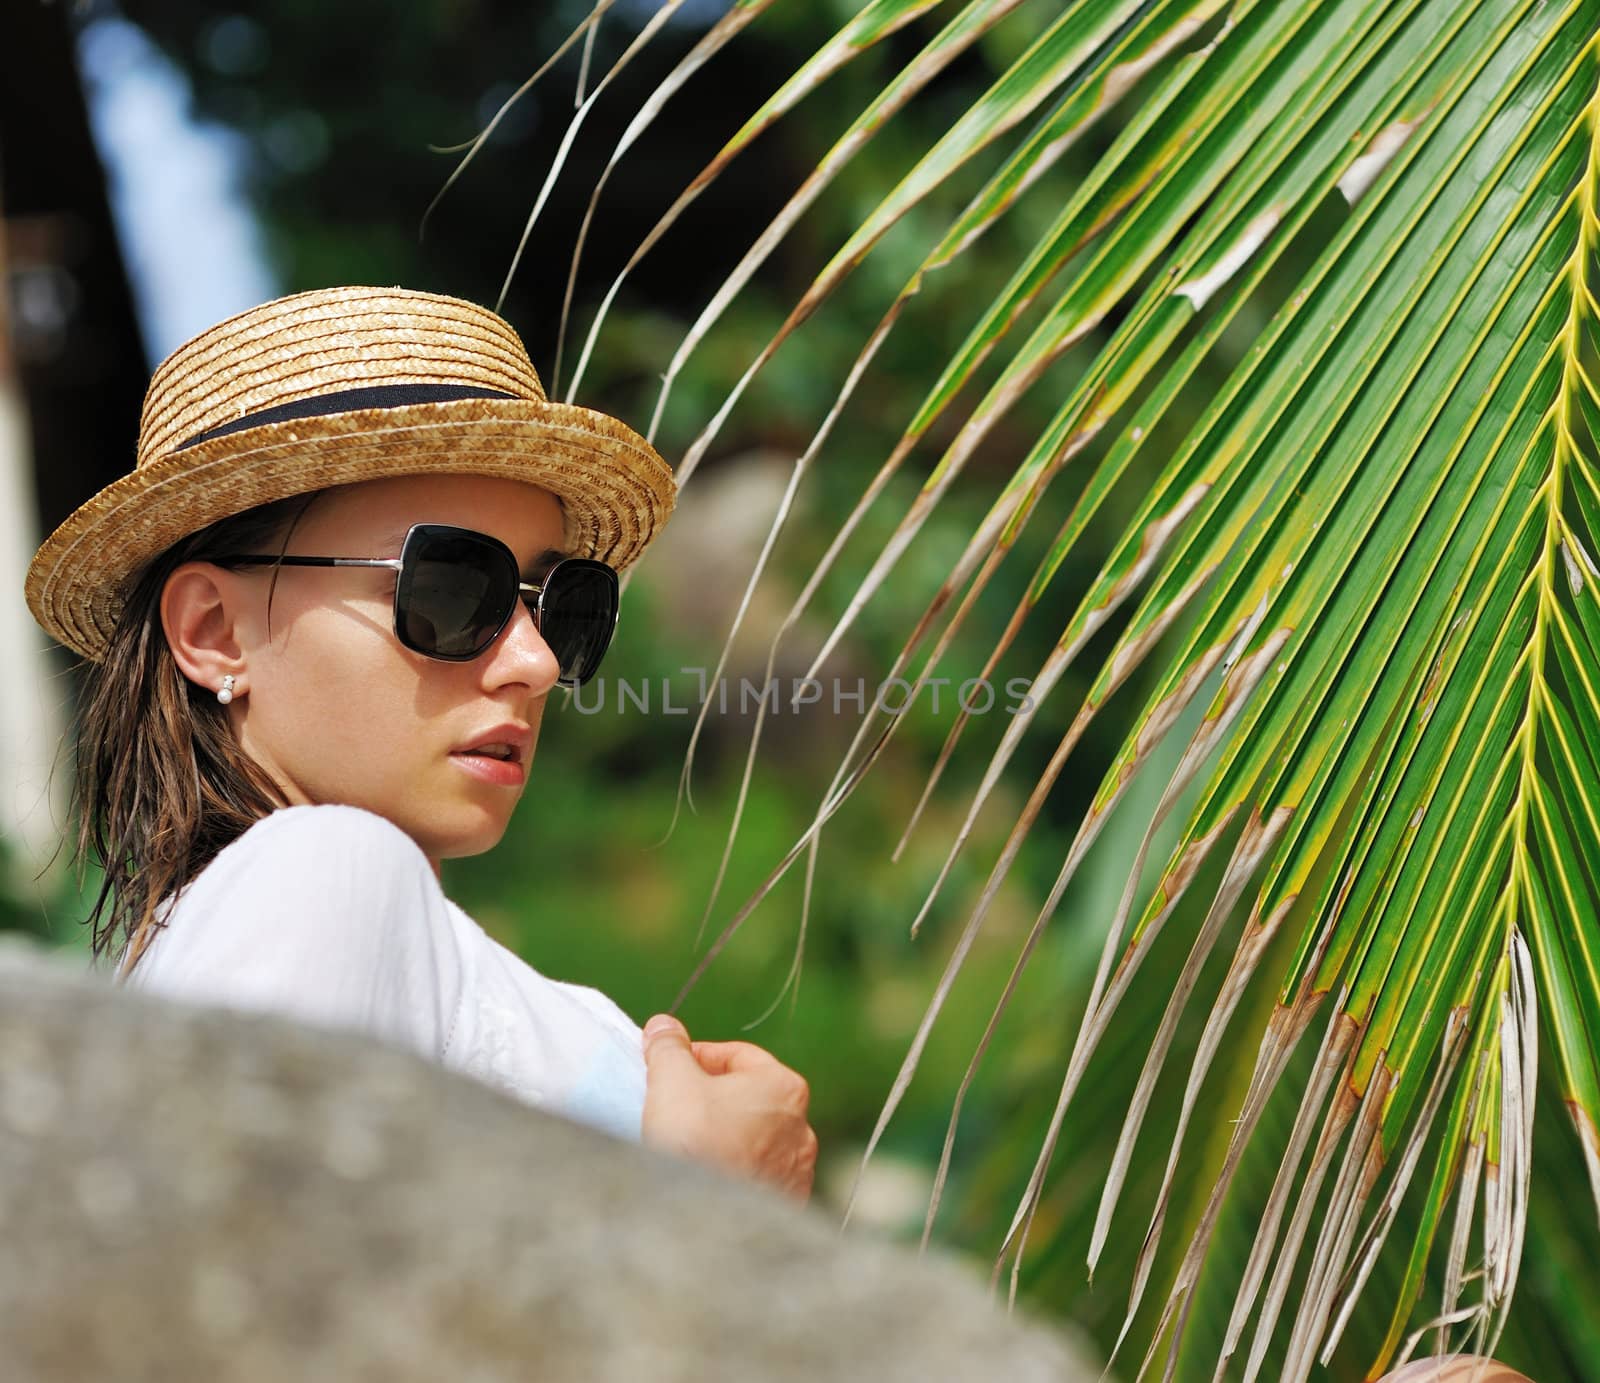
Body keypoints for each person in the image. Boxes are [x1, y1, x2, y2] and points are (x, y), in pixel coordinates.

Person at [24, 285, 818, 1202]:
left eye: (563, 605)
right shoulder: (323, 871)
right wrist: (704, 1202)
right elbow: (225, 1310)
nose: (535, 661)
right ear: (214, 631)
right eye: (450, 587)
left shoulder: (358, 917)